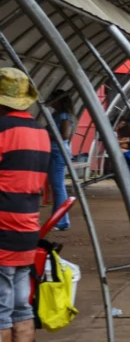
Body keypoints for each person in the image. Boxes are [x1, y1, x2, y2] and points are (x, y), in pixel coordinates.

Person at [0, 68, 50, 340]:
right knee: (22, 308)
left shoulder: (2, 130)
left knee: (0, 310)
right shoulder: (40, 132)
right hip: (27, 228)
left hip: (2, 227)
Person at [47, 89, 74, 231]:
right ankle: (59, 219)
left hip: (58, 153)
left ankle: (61, 221)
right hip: (54, 152)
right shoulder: (55, 114)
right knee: (56, 187)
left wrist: (46, 134)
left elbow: (64, 135)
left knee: (58, 187)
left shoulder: (64, 116)